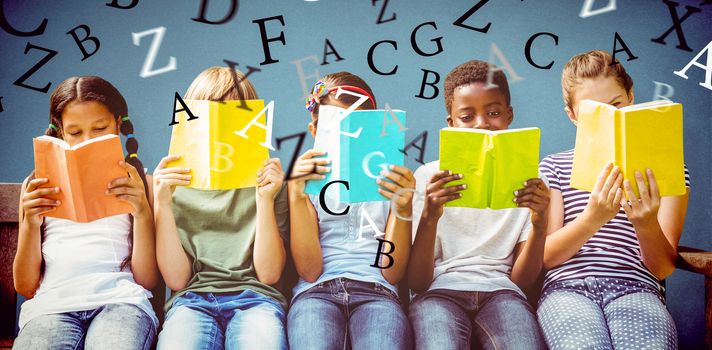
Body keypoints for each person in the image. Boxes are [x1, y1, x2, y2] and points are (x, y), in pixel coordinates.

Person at [537, 50, 690, 349]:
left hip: (637, 288)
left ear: (631, 97)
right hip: (567, 290)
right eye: (593, 111)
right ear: (572, 116)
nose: (609, 116)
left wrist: (645, 223)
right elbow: (547, 256)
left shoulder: (670, 169)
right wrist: (592, 217)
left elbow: (662, 268)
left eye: (616, 105)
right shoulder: (553, 167)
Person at [407, 60, 548, 350]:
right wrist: (430, 218)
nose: (482, 123)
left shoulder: (533, 181)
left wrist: (539, 222)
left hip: (502, 293)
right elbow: (418, 283)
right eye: (467, 117)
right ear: (452, 124)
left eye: (494, 113)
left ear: (509, 116)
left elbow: (522, 282)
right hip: (438, 293)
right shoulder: (429, 177)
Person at [13, 76, 158, 350]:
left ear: (118, 124)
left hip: (122, 302)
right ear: (59, 132)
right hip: (51, 307)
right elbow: (26, 286)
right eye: (75, 132)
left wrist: (141, 212)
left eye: (100, 128)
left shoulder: (142, 184)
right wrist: (31, 224)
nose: (87, 141)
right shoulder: (36, 188)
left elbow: (148, 279)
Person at [154, 67, 290, 350]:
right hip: (192, 301)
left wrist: (264, 199)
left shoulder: (268, 182)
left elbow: (269, 275)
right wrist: (163, 204)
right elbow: (177, 279)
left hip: (257, 298)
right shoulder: (172, 183)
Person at [287, 72, 414, 350]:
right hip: (315, 293)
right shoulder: (303, 182)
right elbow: (309, 271)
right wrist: (296, 194)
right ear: (315, 131)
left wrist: (403, 209)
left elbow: (391, 274)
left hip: (378, 292)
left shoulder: (392, 181)